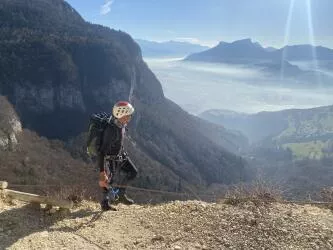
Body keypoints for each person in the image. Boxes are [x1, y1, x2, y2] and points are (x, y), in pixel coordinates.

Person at [87, 101, 138, 211]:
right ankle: (105, 204)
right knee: (107, 181)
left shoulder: (121, 125)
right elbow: (102, 152)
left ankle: (120, 195)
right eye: (129, 115)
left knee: (132, 172)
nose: (130, 117)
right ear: (121, 115)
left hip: (119, 155)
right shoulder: (111, 129)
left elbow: (118, 142)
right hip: (109, 158)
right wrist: (102, 172)